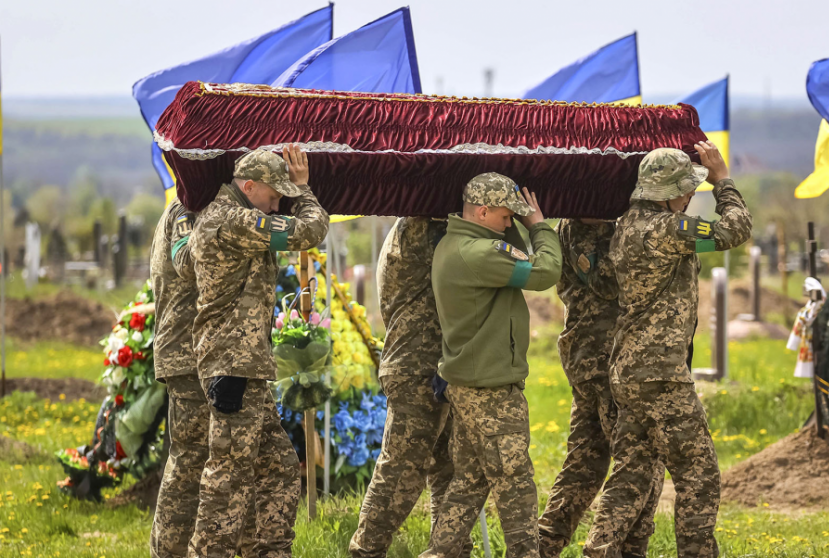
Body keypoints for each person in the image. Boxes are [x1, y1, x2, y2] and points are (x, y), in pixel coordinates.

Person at [583, 142, 752, 558]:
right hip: (659, 374)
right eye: (686, 189)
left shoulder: (627, 226)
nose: (691, 196)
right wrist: (723, 181)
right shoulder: (665, 230)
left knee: (631, 474)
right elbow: (735, 230)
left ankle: (598, 550)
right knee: (699, 473)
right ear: (667, 193)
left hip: (629, 370)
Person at [188, 145, 329, 558]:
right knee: (228, 478)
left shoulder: (234, 216)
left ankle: (268, 551)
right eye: (273, 195)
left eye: (284, 196)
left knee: (280, 469)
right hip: (232, 365)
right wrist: (304, 190)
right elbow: (309, 231)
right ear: (248, 187)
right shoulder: (233, 220)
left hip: (244, 365)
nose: (278, 203)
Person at [423, 172, 562, 558]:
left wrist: (515, 218)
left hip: (468, 383)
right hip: (490, 389)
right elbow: (545, 272)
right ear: (483, 212)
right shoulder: (481, 254)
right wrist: (539, 227)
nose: (510, 223)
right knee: (515, 480)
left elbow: (510, 252)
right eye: (505, 216)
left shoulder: (455, 244)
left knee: (470, 478)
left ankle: (441, 552)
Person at [537, 219, 663, 558]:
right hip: (606, 361)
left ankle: (542, 546)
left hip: (594, 358)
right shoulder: (587, 225)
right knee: (640, 460)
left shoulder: (585, 223)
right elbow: (607, 282)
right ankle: (616, 549)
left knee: (586, 461)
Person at [349, 216, 472, 558]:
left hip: (434, 363)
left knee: (449, 464)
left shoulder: (415, 227)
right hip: (418, 366)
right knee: (403, 467)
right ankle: (366, 550)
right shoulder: (422, 230)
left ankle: (452, 549)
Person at [148, 198, 257, 558]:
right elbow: (185, 263)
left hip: (197, 352)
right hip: (186, 352)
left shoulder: (198, 210)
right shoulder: (187, 211)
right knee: (189, 464)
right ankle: (169, 551)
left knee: (208, 461)